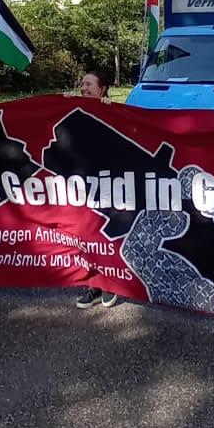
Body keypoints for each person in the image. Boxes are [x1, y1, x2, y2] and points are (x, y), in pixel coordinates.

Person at [75, 71, 118, 308]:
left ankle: (110, 283)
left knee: (104, 234)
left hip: (107, 184)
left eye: (89, 84)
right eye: (82, 84)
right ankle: (93, 286)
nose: (83, 88)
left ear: (102, 89)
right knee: (84, 235)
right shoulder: (73, 110)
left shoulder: (113, 111)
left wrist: (111, 111)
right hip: (80, 184)